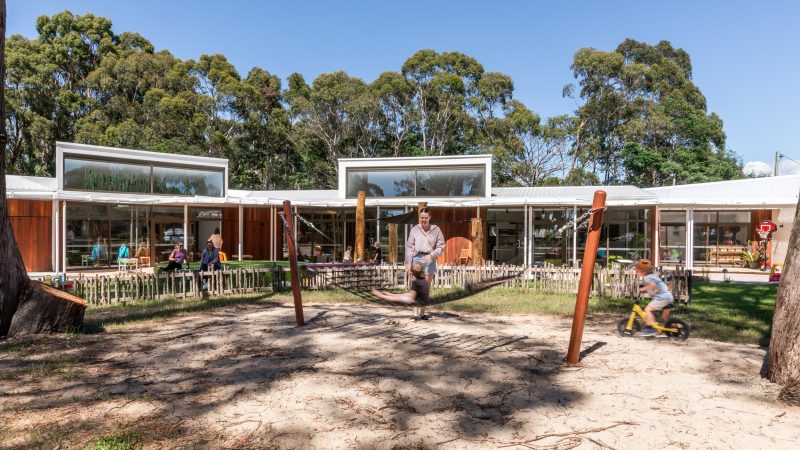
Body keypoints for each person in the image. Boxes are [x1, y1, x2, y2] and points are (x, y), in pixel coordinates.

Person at [405, 207, 445, 320]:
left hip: (430, 259)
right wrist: (408, 262)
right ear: (419, 218)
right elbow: (409, 247)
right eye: (421, 218)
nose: (423, 220)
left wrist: (432, 255)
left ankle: (422, 313)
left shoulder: (436, 229)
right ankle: (415, 314)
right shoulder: (414, 229)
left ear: (429, 217)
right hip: (417, 259)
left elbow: (441, 246)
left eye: (425, 218)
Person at [635, 259, 674, 337]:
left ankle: (650, 329)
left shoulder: (648, 278)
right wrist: (645, 288)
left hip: (662, 297)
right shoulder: (652, 276)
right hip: (668, 297)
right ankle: (675, 329)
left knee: (647, 310)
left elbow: (653, 285)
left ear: (643, 271)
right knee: (665, 317)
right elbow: (655, 288)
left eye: (637, 271)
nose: (636, 272)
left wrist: (643, 288)